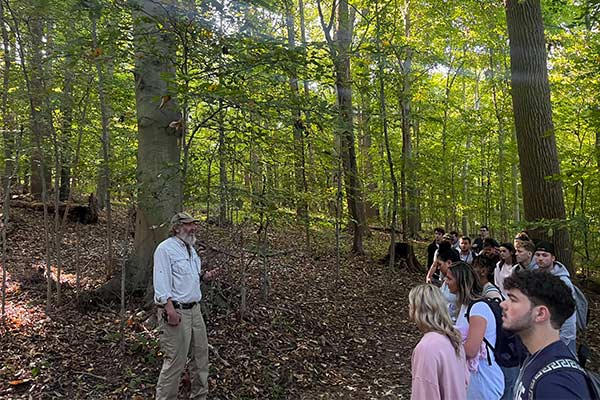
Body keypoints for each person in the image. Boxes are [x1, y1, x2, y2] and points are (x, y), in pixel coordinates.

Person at [153, 212, 220, 400]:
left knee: (201, 358)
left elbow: (188, 278)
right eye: (188, 225)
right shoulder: (165, 249)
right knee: (175, 361)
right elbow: (161, 281)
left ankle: (200, 396)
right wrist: (169, 309)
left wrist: (205, 277)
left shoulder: (190, 248)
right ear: (177, 228)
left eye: (194, 225)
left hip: (195, 310)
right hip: (176, 311)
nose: (193, 228)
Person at [501, 270, 591, 399]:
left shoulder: (557, 383)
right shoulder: (535, 357)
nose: (503, 304)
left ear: (540, 314)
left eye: (513, 300)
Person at [446, 261, 504, 399]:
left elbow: (471, 350)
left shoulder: (478, 308)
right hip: (470, 376)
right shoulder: (464, 306)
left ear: (460, 281)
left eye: (449, 278)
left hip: (482, 379)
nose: (445, 281)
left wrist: (445, 349)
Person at [409, 284, 469, 399]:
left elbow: (424, 393)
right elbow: (465, 380)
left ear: (417, 309)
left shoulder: (426, 348)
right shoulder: (454, 338)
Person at [532, 241, 577, 354]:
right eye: (537, 255)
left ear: (553, 258)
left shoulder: (563, 282)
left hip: (561, 337)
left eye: (545, 255)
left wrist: (563, 340)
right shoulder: (534, 277)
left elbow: (569, 314)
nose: (540, 258)